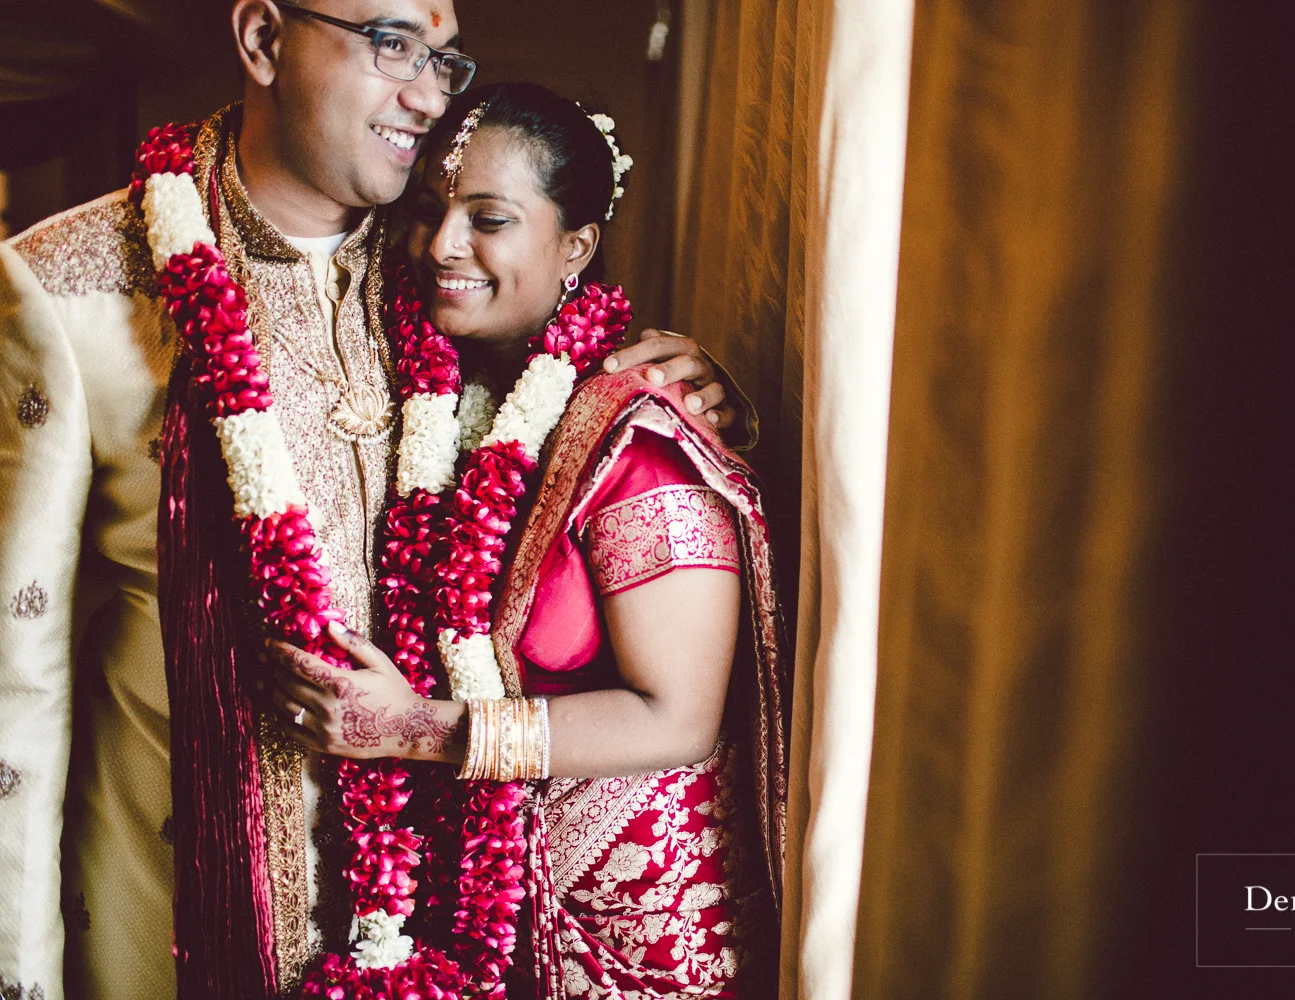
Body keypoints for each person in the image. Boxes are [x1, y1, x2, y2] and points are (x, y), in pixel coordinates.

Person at [0, 3, 742, 998]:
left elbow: (575, 387)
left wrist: (686, 381)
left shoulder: (440, 268)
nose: (431, 91)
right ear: (263, 38)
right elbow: (17, 680)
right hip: (169, 915)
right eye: (392, 43)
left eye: (443, 55)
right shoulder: (70, 287)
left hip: (443, 917)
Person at [263, 83, 787, 999]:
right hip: (483, 907)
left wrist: (422, 730)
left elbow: (681, 717)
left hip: (632, 939)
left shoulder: (641, 436)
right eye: (428, 212)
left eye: (489, 218)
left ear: (575, 247)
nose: (441, 246)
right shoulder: (422, 393)